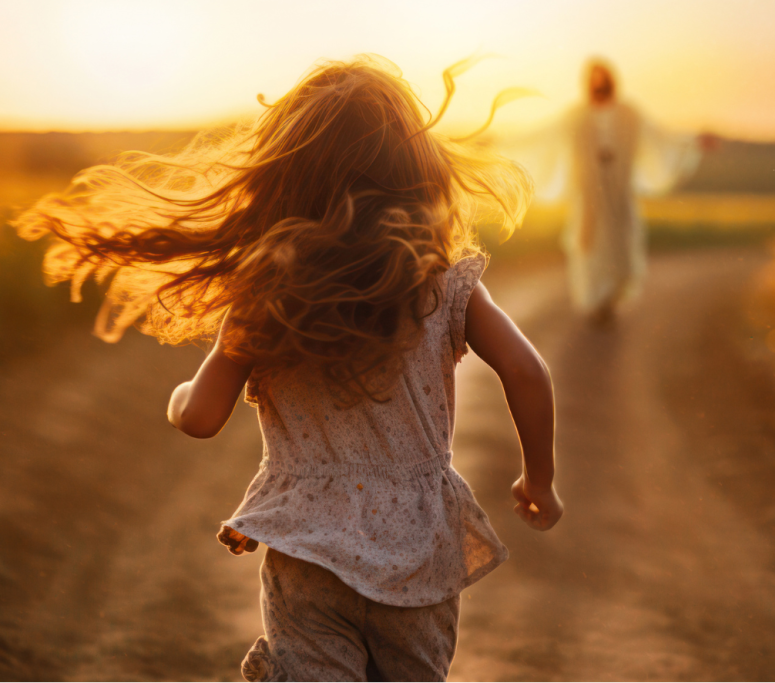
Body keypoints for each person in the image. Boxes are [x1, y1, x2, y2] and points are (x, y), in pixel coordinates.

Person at [14, 56, 563, 682]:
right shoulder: (445, 285)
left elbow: (198, 417)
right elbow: (527, 372)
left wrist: (176, 397)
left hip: (309, 557)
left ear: (284, 180)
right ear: (416, 174)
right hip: (418, 554)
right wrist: (538, 478)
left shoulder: (269, 294)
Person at [502, 59, 714, 325]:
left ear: (611, 79)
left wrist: (693, 141)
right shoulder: (576, 115)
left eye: (602, 76)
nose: (598, 82)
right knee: (590, 249)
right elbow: (542, 136)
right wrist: (501, 142)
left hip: (619, 195)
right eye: (593, 77)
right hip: (588, 197)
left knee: (621, 247)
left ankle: (611, 299)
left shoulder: (629, 113)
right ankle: (596, 302)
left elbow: (660, 136)